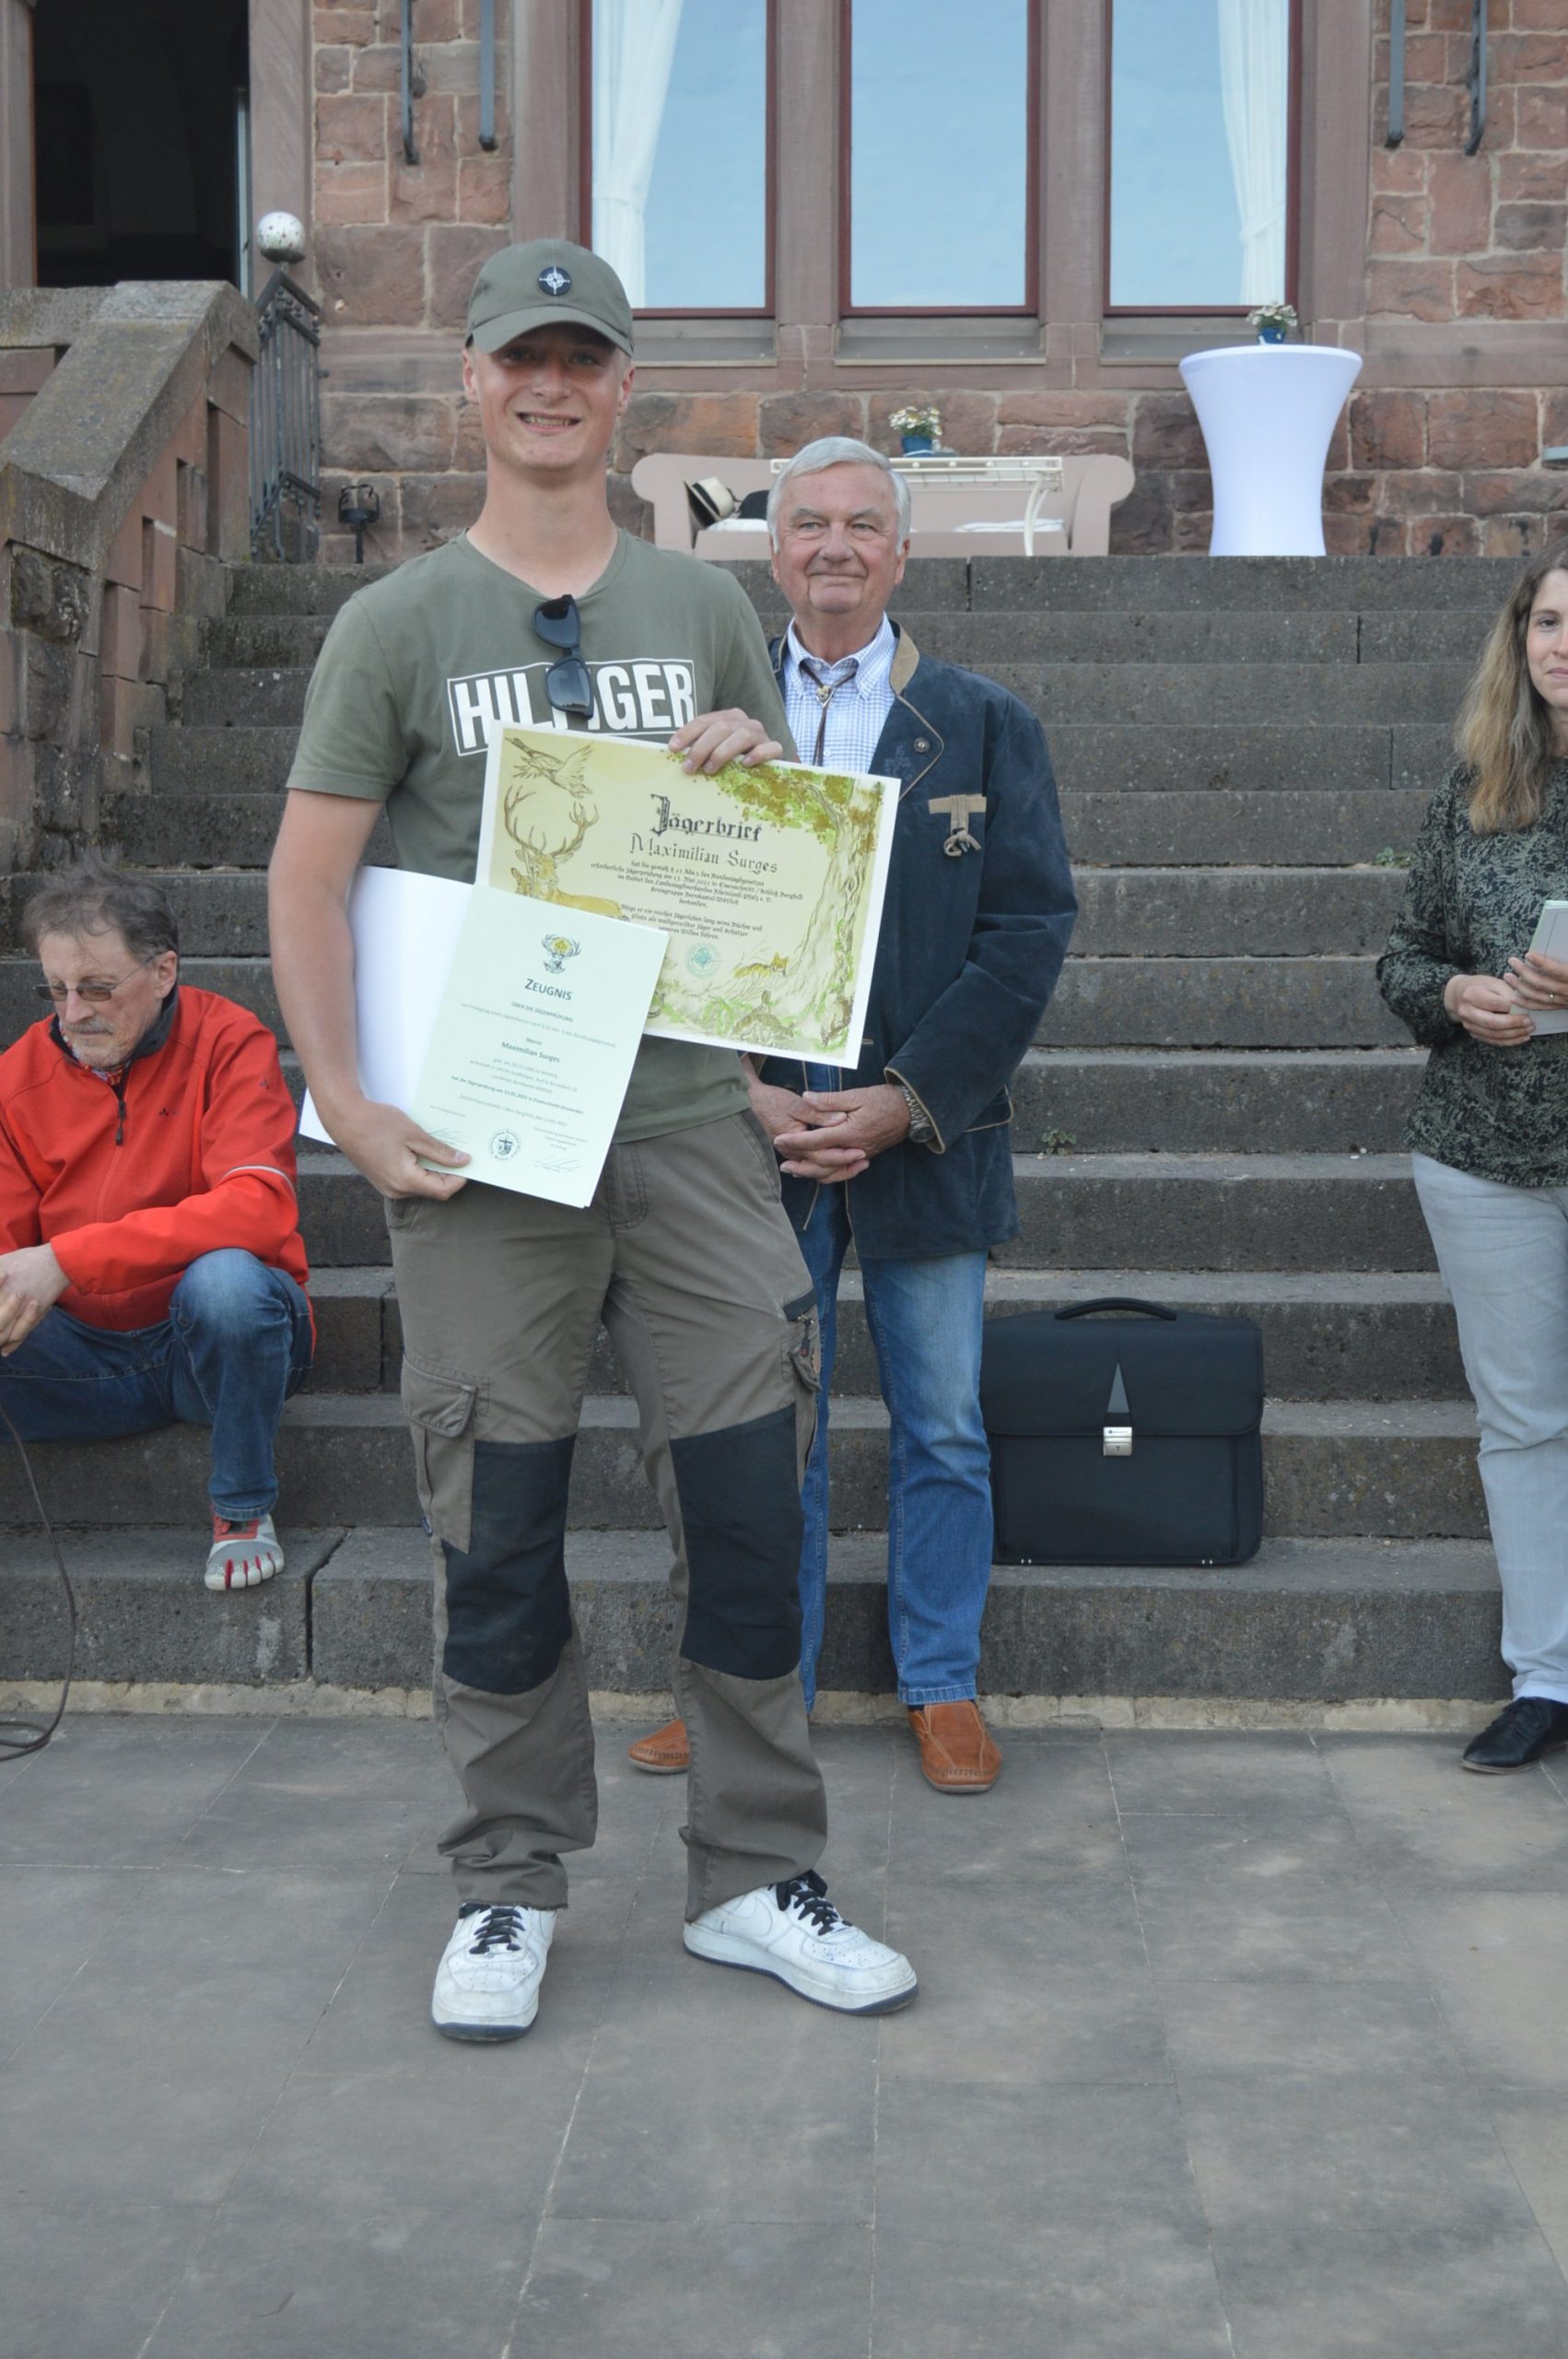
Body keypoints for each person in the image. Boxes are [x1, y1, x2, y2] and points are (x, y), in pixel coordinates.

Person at [268, 242, 916, 2040]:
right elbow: (307, 880)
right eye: (520, 358)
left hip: (692, 1128)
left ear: (624, 387)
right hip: (487, 1149)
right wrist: (349, 1102)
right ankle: (508, 1878)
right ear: (471, 382)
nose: (549, 385)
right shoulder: (396, 626)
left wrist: (749, 771)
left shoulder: (700, 608)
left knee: (749, 1508)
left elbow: (758, 877)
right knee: (497, 1530)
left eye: (582, 358)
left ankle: (753, 1873)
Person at [629, 436, 1075, 1794]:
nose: (834, 545)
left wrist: (905, 1098)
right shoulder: (709, 720)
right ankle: (760, 1687)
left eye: (862, 524)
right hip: (748, 1139)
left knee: (943, 1422)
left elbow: (1025, 933)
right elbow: (652, 913)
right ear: (772, 553)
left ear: (901, 551)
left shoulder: (984, 723)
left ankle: (941, 1683)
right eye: (809, 523)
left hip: (926, 1132)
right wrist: (740, 1090)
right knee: (766, 1428)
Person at [1378, 535, 1568, 1773]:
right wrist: (1451, 993)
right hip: (1484, 1157)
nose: (1563, 644)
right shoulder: (1476, 791)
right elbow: (1400, 956)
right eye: (1547, 621)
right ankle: (1546, 1674)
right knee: (1523, 1423)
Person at [0, 859, 312, 1590]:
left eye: (97, 987)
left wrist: (67, 1259)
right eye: (56, 989)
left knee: (228, 1283)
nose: (72, 1013)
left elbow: (257, 1208)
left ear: (164, 971)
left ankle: (242, 1507)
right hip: (82, 1363)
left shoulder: (229, 1039)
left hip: (217, 1351)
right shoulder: (16, 1075)